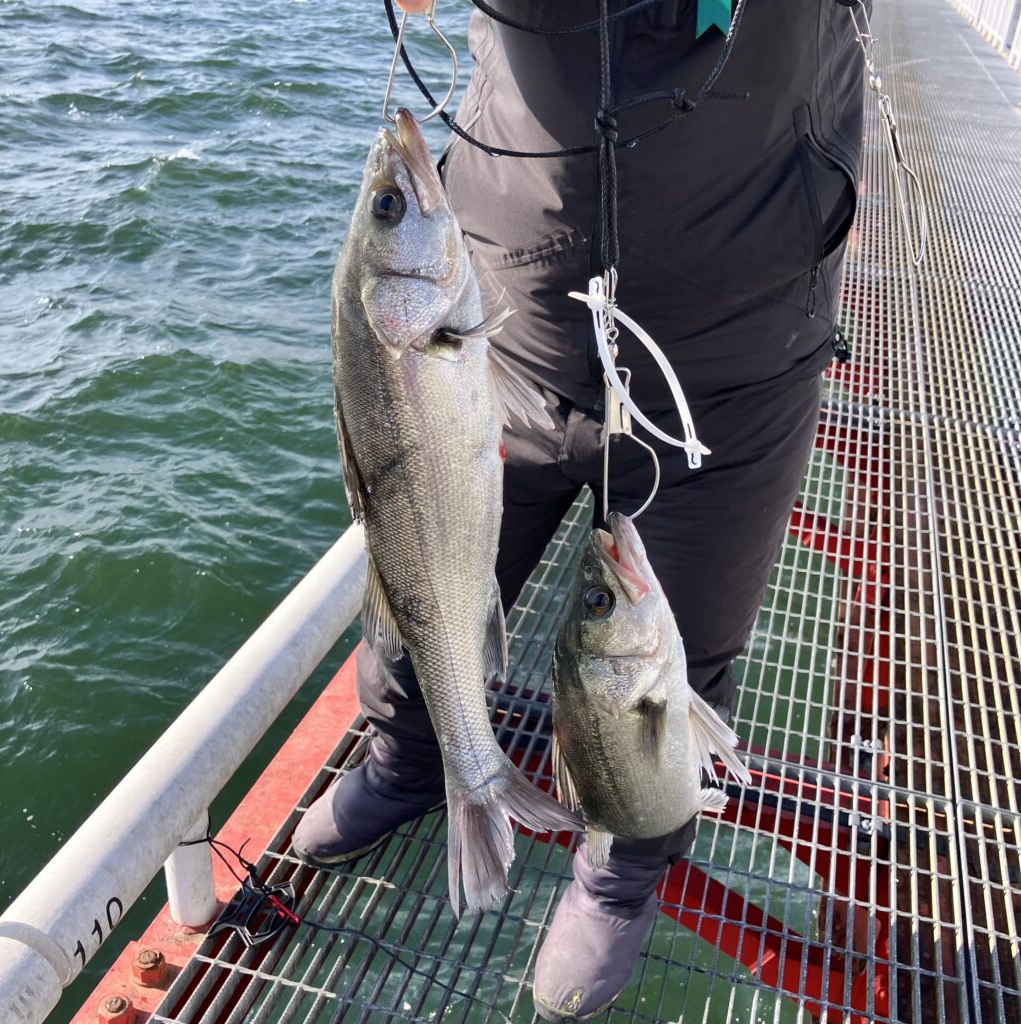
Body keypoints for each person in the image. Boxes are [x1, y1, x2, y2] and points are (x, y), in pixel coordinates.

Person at [294, 2, 866, 1021]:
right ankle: (413, 754)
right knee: (416, 592)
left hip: (730, 354)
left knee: (671, 660)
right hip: (504, 313)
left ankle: (618, 870)